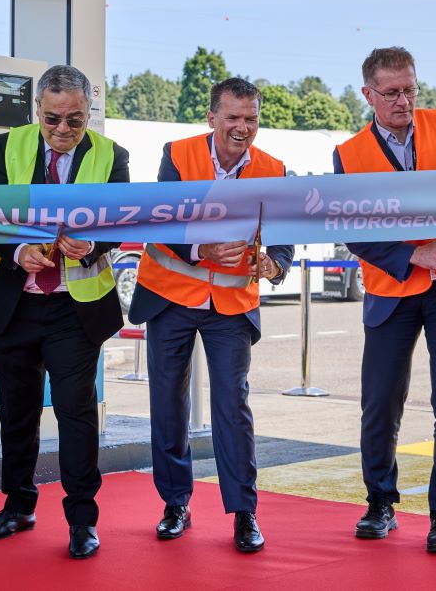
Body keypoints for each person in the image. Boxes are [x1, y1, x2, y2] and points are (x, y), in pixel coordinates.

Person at [333, 46, 436, 553]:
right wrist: (412, 255)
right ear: (368, 94)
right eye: (392, 92)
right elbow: (352, 232)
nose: (403, 100)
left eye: (410, 89)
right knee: (379, 404)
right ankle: (380, 503)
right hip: (390, 291)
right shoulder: (349, 153)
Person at [128, 77, 292, 553]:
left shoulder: (274, 169)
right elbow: (160, 219)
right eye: (234, 118)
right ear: (212, 118)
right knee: (168, 405)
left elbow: (283, 234)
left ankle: (244, 513)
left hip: (232, 307)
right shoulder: (177, 154)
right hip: (171, 297)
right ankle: (175, 504)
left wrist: (275, 263)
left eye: (252, 119)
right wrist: (201, 249)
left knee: (232, 408)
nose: (243, 128)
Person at [0, 65, 129, 559]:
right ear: (36, 109)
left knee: (75, 413)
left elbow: (122, 218)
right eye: (53, 119)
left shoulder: (112, 156)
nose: (62, 130)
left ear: (90, 113)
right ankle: (18, 505)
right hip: (14, 303)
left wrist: (94, 244)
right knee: (16, 413)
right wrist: (19, 252)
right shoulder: (5, 148)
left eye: (75, 120)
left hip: (75, 308)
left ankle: (83, 519)